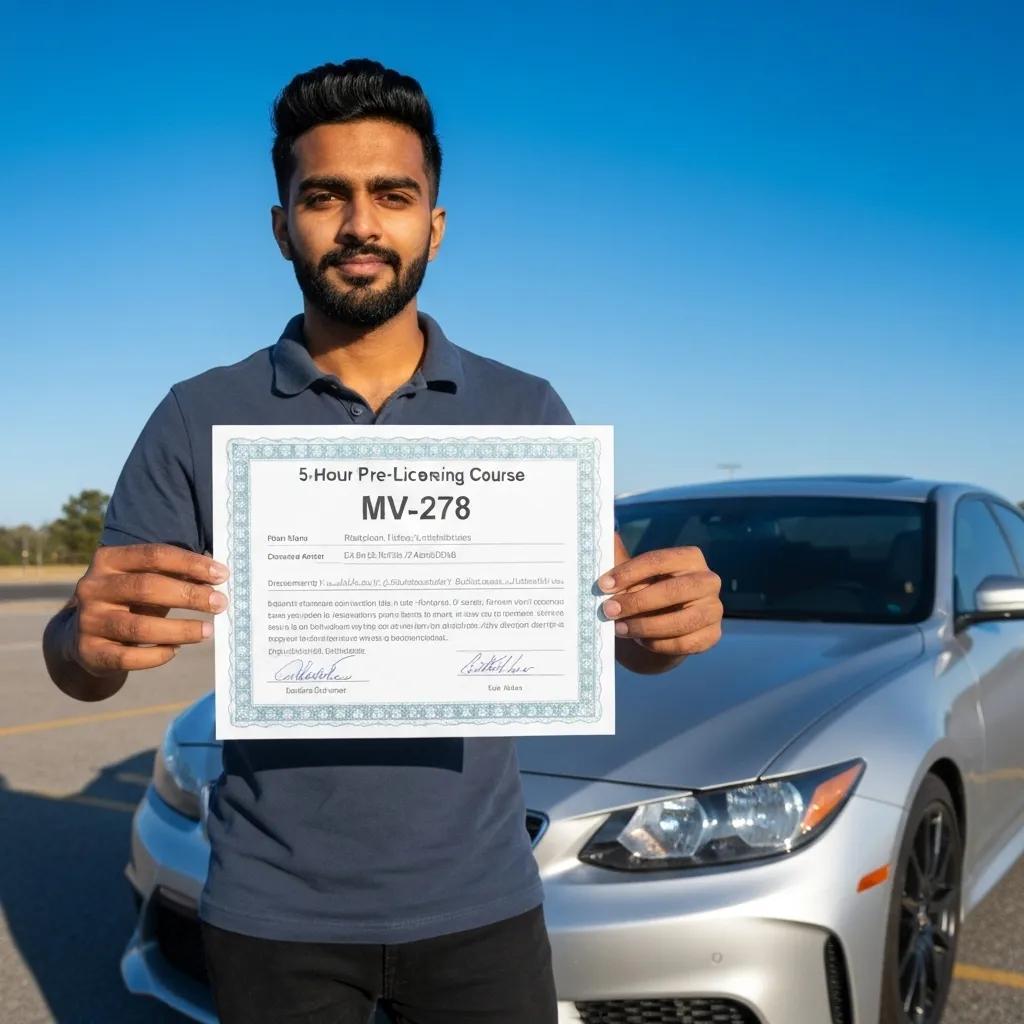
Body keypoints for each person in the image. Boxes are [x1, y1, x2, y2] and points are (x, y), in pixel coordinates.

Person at [42, 58, 723, 1024]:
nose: (361, 223)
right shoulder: (199, 417)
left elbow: (621, 633)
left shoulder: (527, 411)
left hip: (483, 909)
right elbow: (80, 667)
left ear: (433, 227)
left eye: (392, 195)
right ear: (282, 223)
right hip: (272, 917)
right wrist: (82, 638)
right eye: (326, 195)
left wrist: (664, 626)